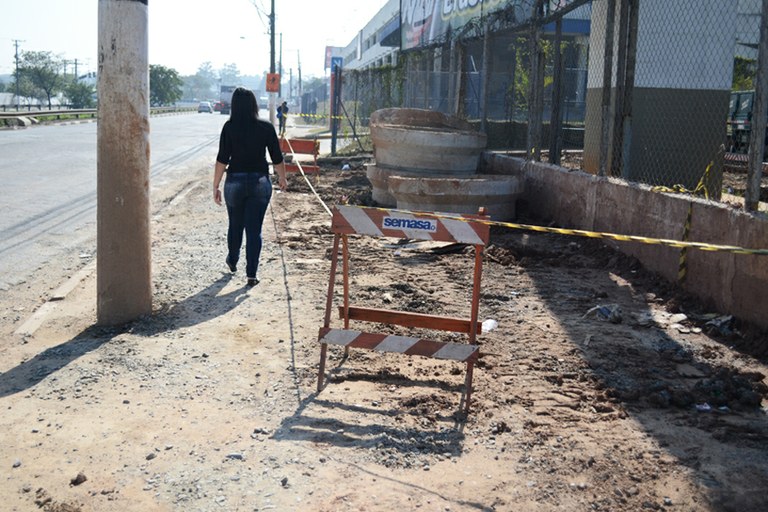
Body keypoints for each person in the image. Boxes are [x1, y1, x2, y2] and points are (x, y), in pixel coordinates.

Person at [213, 87, 288, 287]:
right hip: (260, 182)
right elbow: (277, 157)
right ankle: (251, 274)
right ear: (254, 105)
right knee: (254, 230)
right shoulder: (266, 128)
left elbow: (222, 158)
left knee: (235, 224)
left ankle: (233, 259)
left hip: (235, 181)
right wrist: (282, 178)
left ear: (234, 106)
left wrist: (216, 185)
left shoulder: (229, 128)